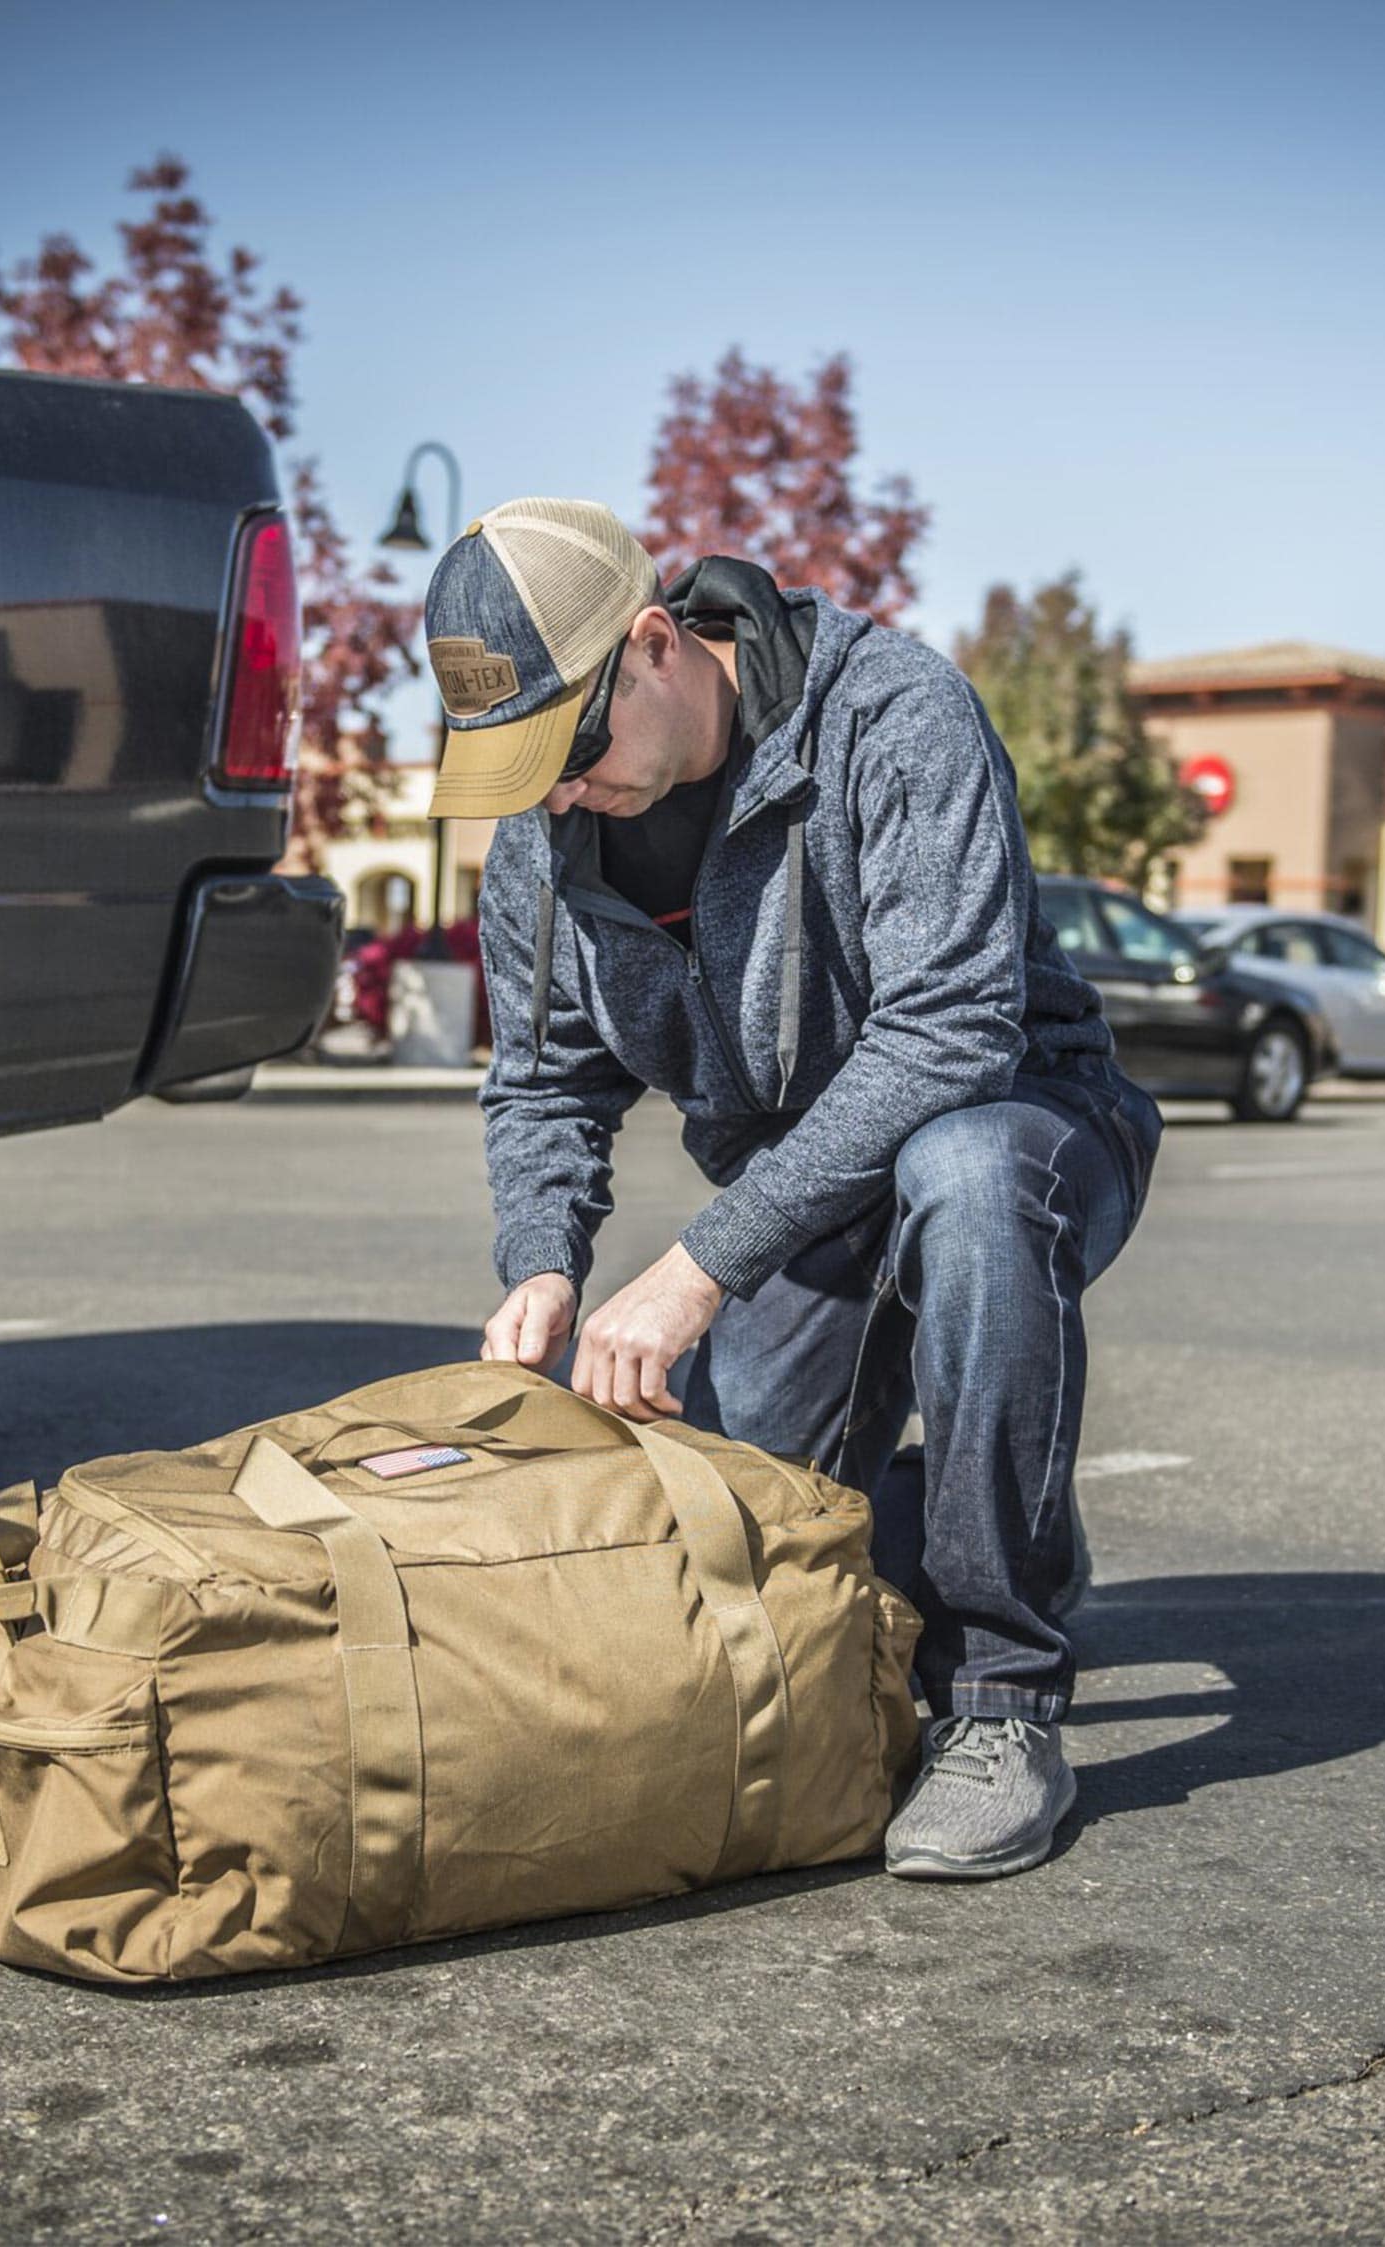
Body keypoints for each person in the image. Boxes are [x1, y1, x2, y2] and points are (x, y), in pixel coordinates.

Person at [422, 497, 1164, 1880]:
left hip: (1023, 1117)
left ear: (655, 644)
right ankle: (999, 1523)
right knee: (779, 1559)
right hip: (799, 1182)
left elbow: (951, 1034)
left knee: (968, 1174)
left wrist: (696, 1270)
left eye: (570, 749)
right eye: (520, 770)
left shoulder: (890, 716)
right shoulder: (549, 831)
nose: (558, 794)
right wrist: (541, 1259)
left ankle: (1004, 1695)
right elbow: (544, 1084)